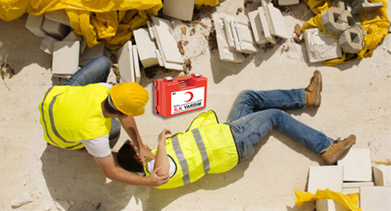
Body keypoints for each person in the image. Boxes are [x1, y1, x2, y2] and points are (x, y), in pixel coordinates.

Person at [116, 70, 356, 189]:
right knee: (274, 116)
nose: (141, 144)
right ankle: (326, 147)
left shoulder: (151, 164)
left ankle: (306, 97)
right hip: (233, 144)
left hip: (225, 133)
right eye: (137, 145)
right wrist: (158, 143)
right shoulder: (156, 172)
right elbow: (163, 171)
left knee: (247, 97)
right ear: (138, 156)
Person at [39, 56, 169, 187]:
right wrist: (148, 181)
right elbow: (110, 172)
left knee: (103, 63)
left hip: (54, 99)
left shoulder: (102, 89)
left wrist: (140, 146)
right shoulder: (96, 134)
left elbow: (125, 115)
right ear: (121, 113)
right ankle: (79, 147)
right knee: (115, 128)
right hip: (55, 134)